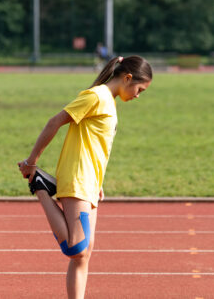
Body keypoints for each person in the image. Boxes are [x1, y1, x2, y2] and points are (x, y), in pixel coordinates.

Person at [18, 55, 152, 299]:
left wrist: (99, 183)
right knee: (75, 248)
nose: (138, 95)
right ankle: (40, 184)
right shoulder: (96, 96)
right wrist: (31, 162)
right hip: (77, 177)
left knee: (85, 253)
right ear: (127, 78)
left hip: (90, 182)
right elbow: (55, 122)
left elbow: (96, 147)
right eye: (139, 89)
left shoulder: (109, 101)